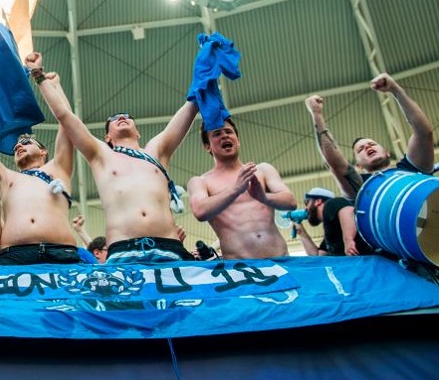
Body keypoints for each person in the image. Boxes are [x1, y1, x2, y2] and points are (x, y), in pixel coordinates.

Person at [28, 52, 197, 263]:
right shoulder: (101, 154)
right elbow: (65, 116)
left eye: (127, 117)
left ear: (138, 133)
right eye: (115, 119)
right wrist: (38, 75)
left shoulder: (156, 151)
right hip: (122, 250)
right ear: (107, 136)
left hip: (169, 248)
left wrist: (203, 81)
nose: (122, 118)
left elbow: (188, 110)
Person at [0, 83, 79, 265]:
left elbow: (67, 124)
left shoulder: (58, 169)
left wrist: (55, 86)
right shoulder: (7, 177)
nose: (18, 145)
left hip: (61, 254)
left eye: (26, 142)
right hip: (14, 257)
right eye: (16, 145)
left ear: (43, 152)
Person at [305, 73, 434, 200]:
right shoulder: (361, 188)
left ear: (387, 153)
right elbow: (336, 165)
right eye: (360, 149)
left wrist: (395, 89)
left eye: (372, 144)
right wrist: (316, 114)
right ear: (359, 166)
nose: (367, 147)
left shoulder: (412, 168)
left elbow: (424, 132)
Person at [188, 119, 296, 259]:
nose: (225, 136)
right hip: (239, 269)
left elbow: (291, 202)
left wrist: (263, 198)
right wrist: (236, 189)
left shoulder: (262, 170)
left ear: (238, 140)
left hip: (280, 260)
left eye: (229, 132)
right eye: (217, 134)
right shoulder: (200, 181)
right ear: (207, 146)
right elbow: (200, 211)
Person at [292, 187, 373, 257]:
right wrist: (301, 232)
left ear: (318, 201)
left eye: (307, 202)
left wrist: (348, 240)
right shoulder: (330, 235)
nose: (306, 208)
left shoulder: (331, 204)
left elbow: (347, 211)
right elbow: (317, 257)